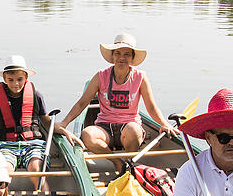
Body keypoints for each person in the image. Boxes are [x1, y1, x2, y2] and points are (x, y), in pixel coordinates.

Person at [59, 32, 176, 173]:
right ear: (113, 56)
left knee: (133, 130)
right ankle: (118, 162)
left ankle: (130, 163)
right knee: (87, 134)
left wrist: (164, 124)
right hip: (105, 127)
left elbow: (151, 106)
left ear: (132, 58)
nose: (121, 58)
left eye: (126, 54)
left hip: (129, 126)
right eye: (118, 53)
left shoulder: (140, 77)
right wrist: (64, 123)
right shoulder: (101, 76)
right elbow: (82, 103)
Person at [0, 55, 82, 190]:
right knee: (3, 173)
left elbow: (47, 123)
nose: (16, 84)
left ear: (26, 78)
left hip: (34, 143)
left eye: (20, 79)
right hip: (6, 144)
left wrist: (65, 131)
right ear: (4, 79)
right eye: (11, 80)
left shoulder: (36, 95)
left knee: (36, 170)